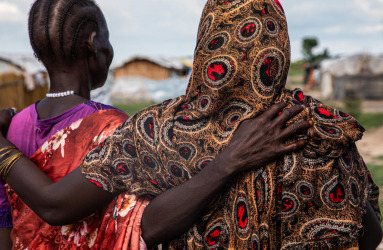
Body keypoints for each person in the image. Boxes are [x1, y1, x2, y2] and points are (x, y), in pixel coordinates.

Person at [0, 0, 381, 249]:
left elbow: (143, 227)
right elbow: (370, 233)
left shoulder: (158, 132)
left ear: (206, 44)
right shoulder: (315, 127)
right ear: (279, 46)